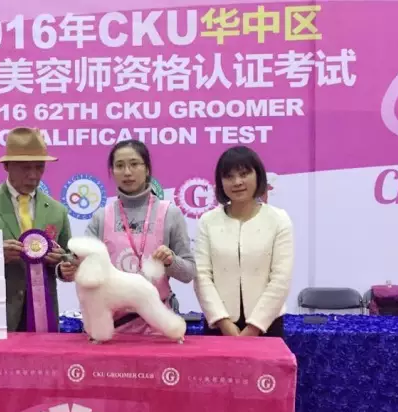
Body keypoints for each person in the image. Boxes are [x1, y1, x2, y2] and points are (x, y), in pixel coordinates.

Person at [58, 139, 195, 334]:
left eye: (134, 164)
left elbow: (188, 273)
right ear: (112, 171)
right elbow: (79, 263)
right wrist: (65, 270)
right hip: (113, 330)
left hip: (156, 330)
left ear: (147, 169)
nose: (127, 172)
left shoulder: (170, 213)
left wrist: (171, 261)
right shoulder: (101, 217)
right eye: (120, 166)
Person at [0, 127, 71, 332]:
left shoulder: (58, 211)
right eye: (25, 168)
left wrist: (62, 265)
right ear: (7, 166)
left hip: (43, 319)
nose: (33, 175)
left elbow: (68, 260)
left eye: (39, 167)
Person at [194, 146, 293, 337]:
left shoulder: (279, 219)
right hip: (219, 326)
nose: (237, 182)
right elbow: (201, 276)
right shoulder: (207, 221)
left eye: (244, 174)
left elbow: (281, 279)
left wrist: (254, 327)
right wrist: (223, 323)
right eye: (229, 176)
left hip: (267, 325)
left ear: (258, 176)